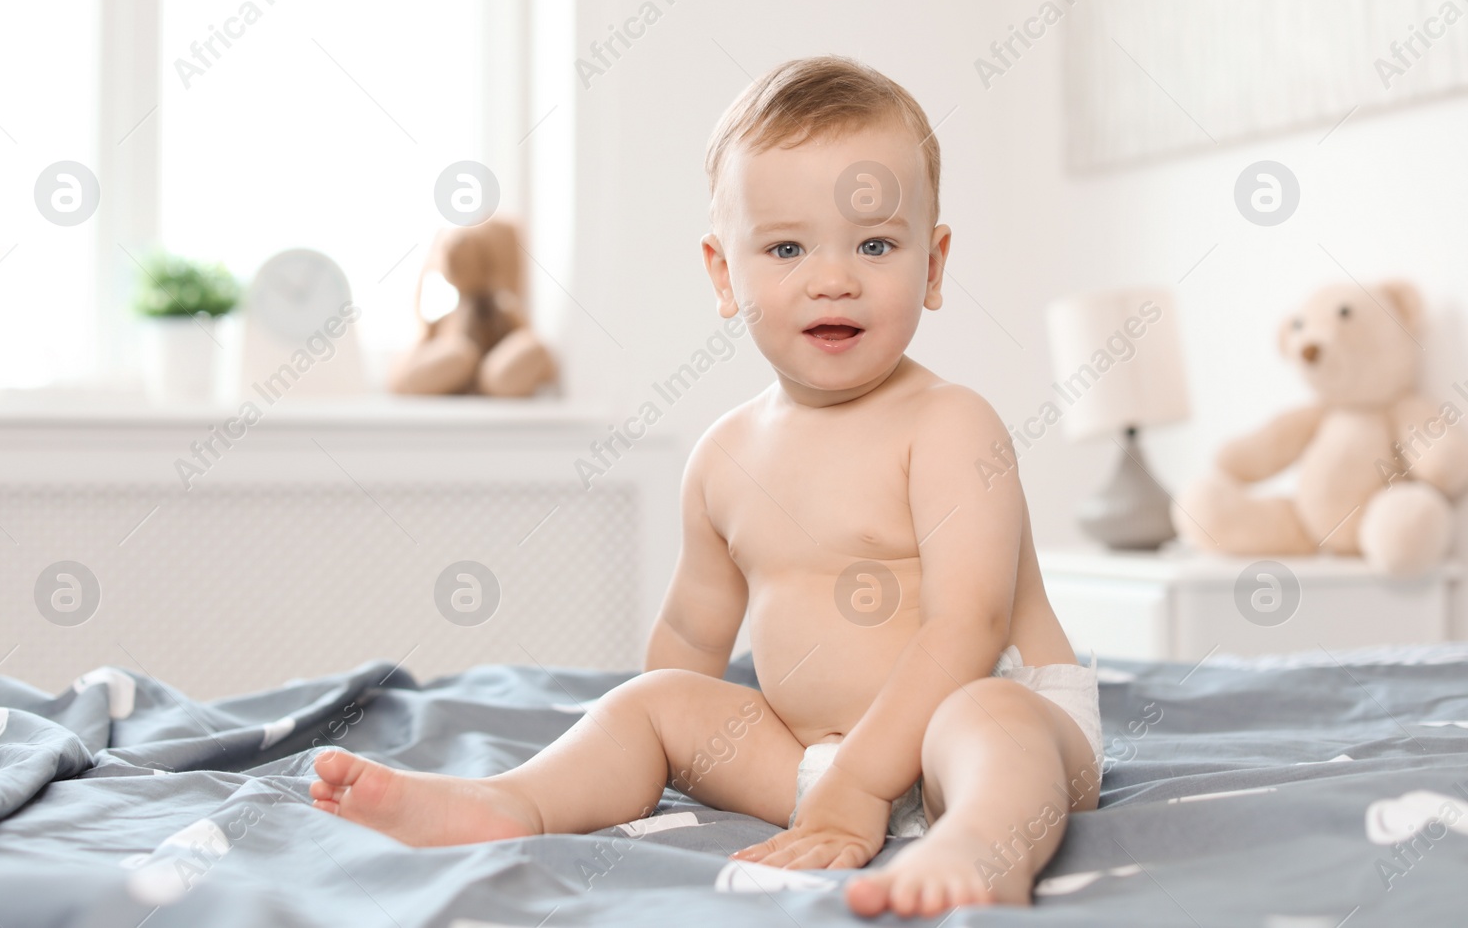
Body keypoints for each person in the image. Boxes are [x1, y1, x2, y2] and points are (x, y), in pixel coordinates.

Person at [311, 55, 1103, 918]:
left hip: (978, 741)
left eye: (875, 243)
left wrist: (861, 782)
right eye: (787, 247)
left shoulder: (951, 425)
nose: (832, 275)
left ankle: (982, 851)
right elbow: (690, 636)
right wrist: (664, 744)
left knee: (986, 718)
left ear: (934, 262)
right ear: (725, 273)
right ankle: (512, 802)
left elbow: (970, 624)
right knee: (653, 703)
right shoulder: (725, 456)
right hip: (812, 760)